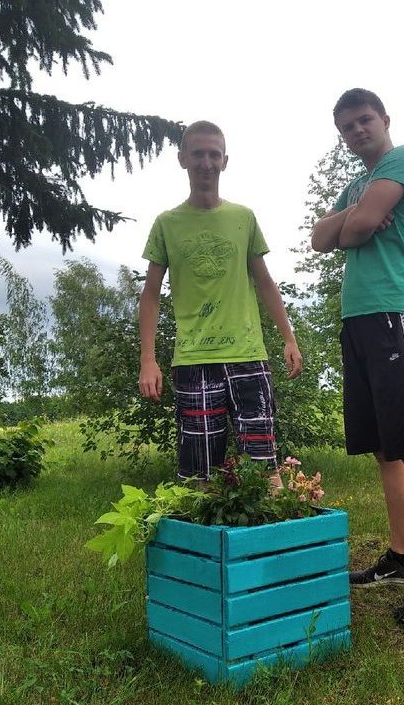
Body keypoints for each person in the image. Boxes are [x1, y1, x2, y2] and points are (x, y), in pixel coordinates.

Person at [311, 89, 404, 623]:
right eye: (346, 127)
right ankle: (403, 559)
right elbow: (320, 238)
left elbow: (350, 230)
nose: (356, 131)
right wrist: (357, 214)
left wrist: (352, 222)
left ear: (384, 119)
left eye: (364, 120)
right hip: (359, 320)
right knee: (385, 450)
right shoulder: (358, 185)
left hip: (399, 314)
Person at [138, 120, 302, 483]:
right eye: (198, 154)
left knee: (264, 469)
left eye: (214, 155)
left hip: (248, 356)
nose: (206, 163)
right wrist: (148, 360)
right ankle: (203, 522)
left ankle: (269, 524)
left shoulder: (243, 218)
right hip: (194, 361)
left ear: (225, 161)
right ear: (182, 158)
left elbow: (264, 282)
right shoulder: (167, 223)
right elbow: (150, 294)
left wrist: (288, 338)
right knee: (199, 477)